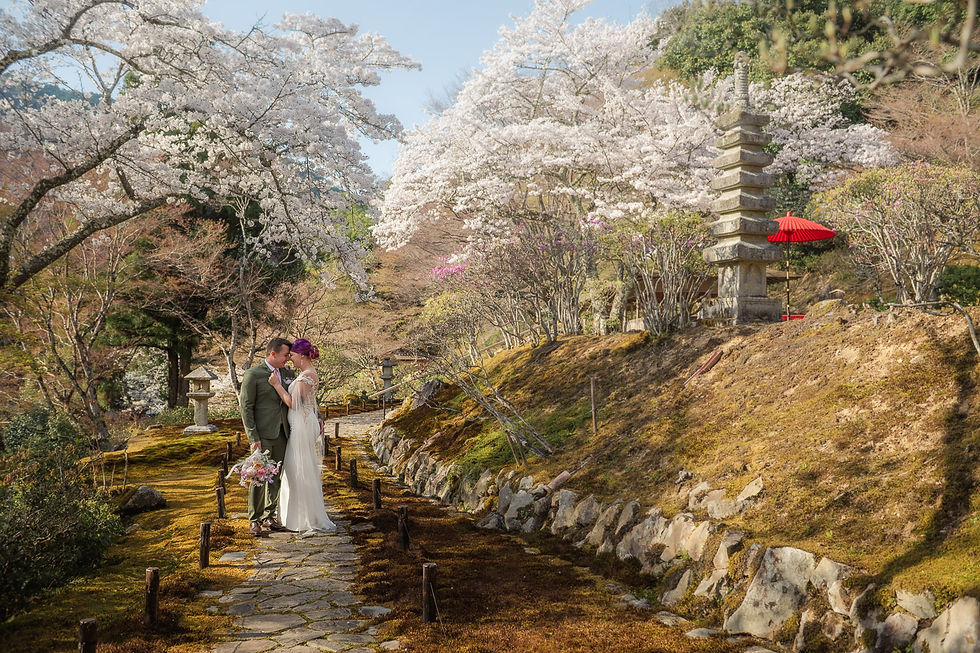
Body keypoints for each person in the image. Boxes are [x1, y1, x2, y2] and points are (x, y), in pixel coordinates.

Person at [269, 338, 336, 533]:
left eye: (293, 355)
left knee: (298, 470)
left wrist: (276, 385)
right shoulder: (305, 374)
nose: (291, 359)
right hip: (301, 425)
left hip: (301, 427)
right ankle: (296, 516)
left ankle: (304, 517)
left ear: (303, 356)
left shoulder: (307, 375)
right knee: (296, 469)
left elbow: (294, 403)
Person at [239, 337, 293, 537]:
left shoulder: (289, 374)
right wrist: (252, 436)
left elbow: (301, 397)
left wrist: (318, 416)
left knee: (276, 476)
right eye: (286, 355)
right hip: (262, 435)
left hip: (284, 433)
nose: (288, 358)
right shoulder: (253, 374)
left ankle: (270, 516)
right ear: (273, 353)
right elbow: (246, 407)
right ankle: (254, 519)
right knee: (258, 477)